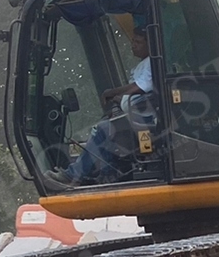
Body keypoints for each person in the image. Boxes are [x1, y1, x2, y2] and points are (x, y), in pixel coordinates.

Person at [66, 28, 158, 185]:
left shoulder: (152, 62)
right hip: (135, 116)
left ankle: (72, 176)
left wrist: (111, 92)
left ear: (150, 45)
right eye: (132, 41)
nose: (133, 45)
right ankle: (106, 177)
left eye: (138, 42)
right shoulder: (142, 65)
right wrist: (119, 99)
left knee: (103, 130)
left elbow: (142, 87)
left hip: (144, 120)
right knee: (109, 136)